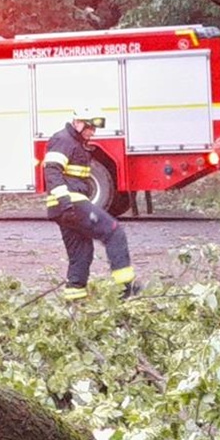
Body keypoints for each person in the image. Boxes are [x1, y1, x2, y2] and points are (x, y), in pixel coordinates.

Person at [43, 107, 137, 300]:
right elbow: (52, 171)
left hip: (63, 208)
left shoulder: (76, 143)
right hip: (70, 204)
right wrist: (66, 201)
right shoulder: (63, 140)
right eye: (89, 127)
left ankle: (74, 303)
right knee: (113, 231)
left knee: (81, 253)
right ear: (77, 123)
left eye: (95, 128)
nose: (92, 132)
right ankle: (126, 289)